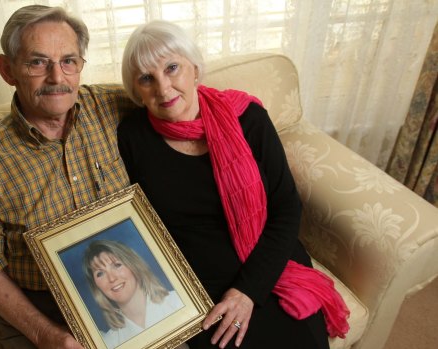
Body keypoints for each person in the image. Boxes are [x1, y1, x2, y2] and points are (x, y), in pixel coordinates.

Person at [117, 20, 350, 349]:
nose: (163, 88)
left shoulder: (248, 117)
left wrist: (248, 291)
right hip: (198, 284)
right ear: (136, 91)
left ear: (195, 69)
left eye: (172, 68)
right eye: (146, 79)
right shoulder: (132, 137)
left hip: (267, 265)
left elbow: (286, 207)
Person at [0, 5, 138, 349]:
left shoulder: (113, 107)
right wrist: (45, 334)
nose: (57, 77)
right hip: (45, 308)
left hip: (130, 284)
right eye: (37, 63)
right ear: (7, 70)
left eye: (69, 61)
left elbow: (176, 102)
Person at [82, 239, 183, 348]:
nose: (111, 278)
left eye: (117, 265)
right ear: (96, 286)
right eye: (100, 273)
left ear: (133, 265)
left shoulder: (180, 302)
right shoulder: (108, 343)